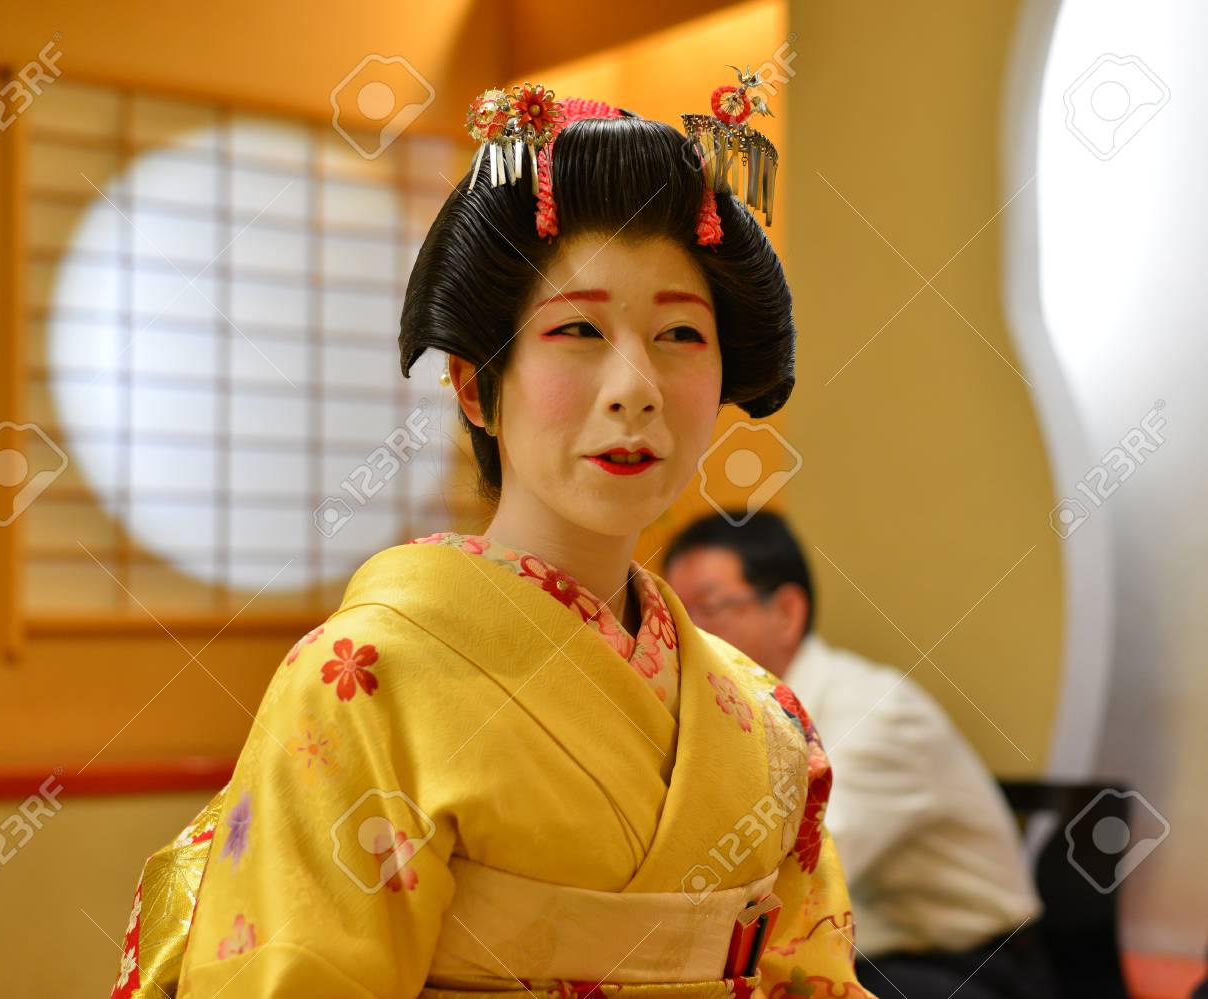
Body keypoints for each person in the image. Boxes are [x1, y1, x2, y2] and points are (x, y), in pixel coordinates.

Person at [107, 72, 876, 998]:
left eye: (680, 334)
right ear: (476, 387)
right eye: (579, 328)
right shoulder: (362, 680)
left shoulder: (769, 723)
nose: (634, 385)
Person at [664, 511, 1055, 999]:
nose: (688, 636)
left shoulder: (877, 713)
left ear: (786, 611)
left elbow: (801, 874)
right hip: (874, 955)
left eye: (709, 608)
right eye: (676, 616)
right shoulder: (738, 718)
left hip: (971, 968)